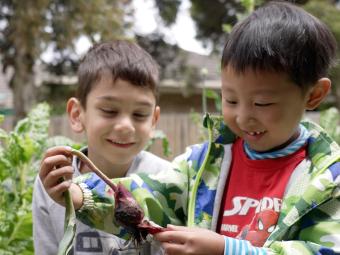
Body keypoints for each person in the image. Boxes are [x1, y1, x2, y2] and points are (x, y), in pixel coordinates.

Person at [39, 1, 340, 255]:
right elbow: (150, 194)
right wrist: (83, 197)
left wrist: (229, 250)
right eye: (230, 99)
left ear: (313, 95)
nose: (243, 116)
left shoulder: (327, 179)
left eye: (262, 104)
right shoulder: (205, 164)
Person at [33, 40, 172, 255]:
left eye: (140, 114)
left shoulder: (167, 178)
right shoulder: (55, 182)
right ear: (77, 114)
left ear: (153, 120)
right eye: (109, 110)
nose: (126, 126)